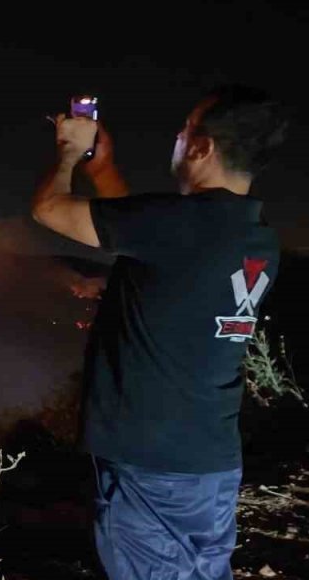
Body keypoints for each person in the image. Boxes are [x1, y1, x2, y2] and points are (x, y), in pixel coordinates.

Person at [31, 86, 289, 579]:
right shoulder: (257, 237)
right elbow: (140, 236)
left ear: (201, 147)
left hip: (149, 463)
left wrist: (68, 153)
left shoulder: (178, 223)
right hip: (209, 460)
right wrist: (103, 169)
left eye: (185, 130)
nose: (178, 137)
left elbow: (49, 208)